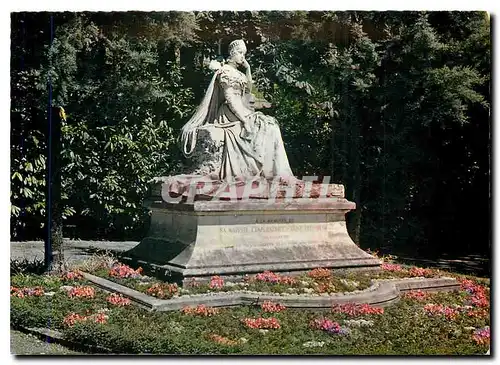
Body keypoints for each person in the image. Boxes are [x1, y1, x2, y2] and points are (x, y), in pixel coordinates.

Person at [180, 39, 295, 182]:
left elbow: (248, 91)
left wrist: (248, 70)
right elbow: (230, 99)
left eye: (244, 54)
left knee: (271, 125)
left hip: (243, 110)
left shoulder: (239, 74)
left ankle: (278, 172)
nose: (243, 57)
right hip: (229, 113)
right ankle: (268, 171)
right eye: (240, 53)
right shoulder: (225, 71)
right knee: (266, 127)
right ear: (232, 53)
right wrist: (244, 120)